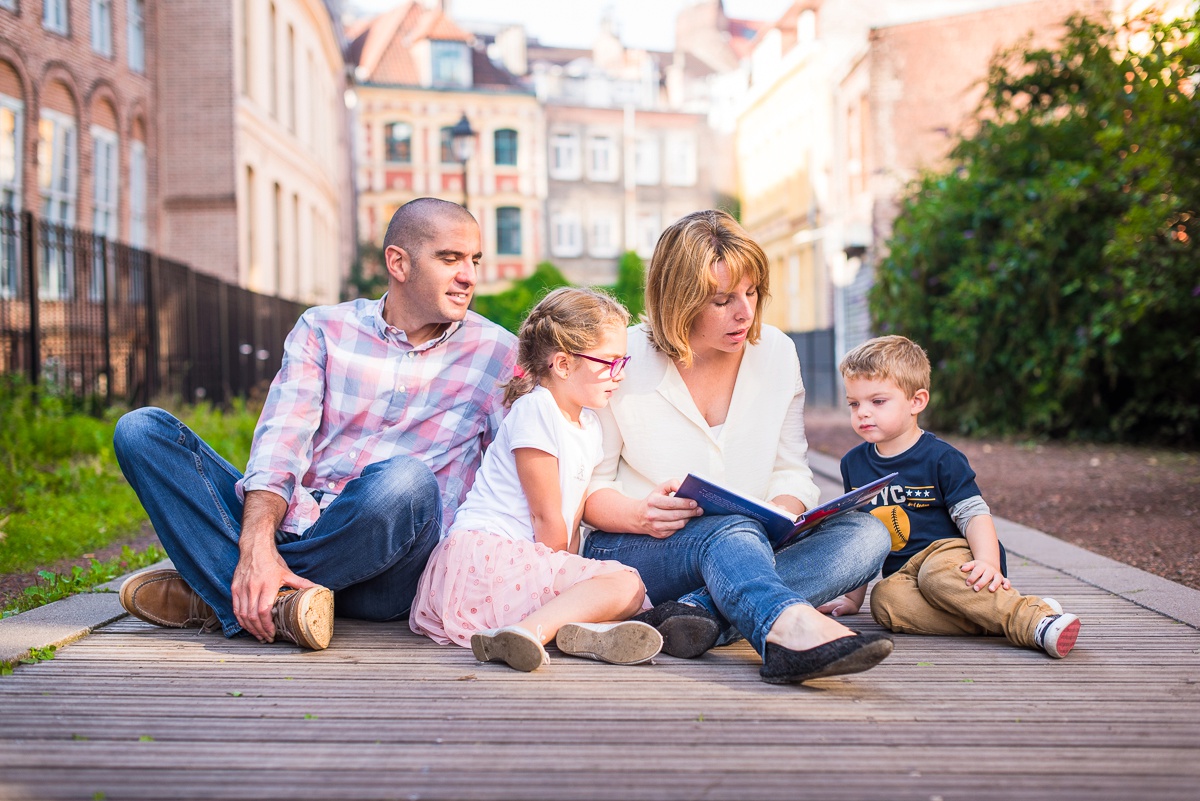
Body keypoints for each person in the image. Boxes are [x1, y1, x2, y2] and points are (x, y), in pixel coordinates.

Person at [113, 198, 518, 650]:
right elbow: (281, 440)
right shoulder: (323, 328)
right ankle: (279, 598)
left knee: (406, 480)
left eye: (474, 260)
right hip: (300, 521)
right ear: (398, 263)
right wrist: (257, 546)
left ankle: (222, 593)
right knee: (142, 430)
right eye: (451, 259)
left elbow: (520, 473)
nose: (469, 276)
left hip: (392, 569)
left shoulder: (501, 354)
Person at [580, 209, 894, 685]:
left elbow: (792, 470)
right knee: (728, 530)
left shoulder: (777, 352)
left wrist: (782, 513)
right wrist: (639, 513)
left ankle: (694, 614)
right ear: (677, 301)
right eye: (722, 300)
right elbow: (588, 489)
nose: (745, 312)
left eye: (751, 293)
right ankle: (786, 631)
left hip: (753, 547)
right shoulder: (622, 357)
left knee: (867, 536)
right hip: (639, 548)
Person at [410, 287, 661, 672]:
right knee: (626, 585)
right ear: (562, 364)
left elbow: (573, 516)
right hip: (487, 559)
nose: (620, 375)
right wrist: (567, 574)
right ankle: (525, 632)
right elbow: (546, 517)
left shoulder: (590, 426)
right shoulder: (536, 410)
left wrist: (574, 574)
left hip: (527, 560)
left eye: (623, 361)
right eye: (610, 362)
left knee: (623, 591)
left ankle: (572, 631)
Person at [820, 335, 1081, 658]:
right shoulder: (853, 464)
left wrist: (988, 562)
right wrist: (853, 598)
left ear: (916, 401)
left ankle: (1034, 624)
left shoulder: (941, 458)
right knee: (886, 602)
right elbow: (859, 535)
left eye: (878, 401)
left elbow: (974, 514)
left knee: (936, 575)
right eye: (854, 403)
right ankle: (1021, 610)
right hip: (904, 573)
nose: (862, 413)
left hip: (954, 557)